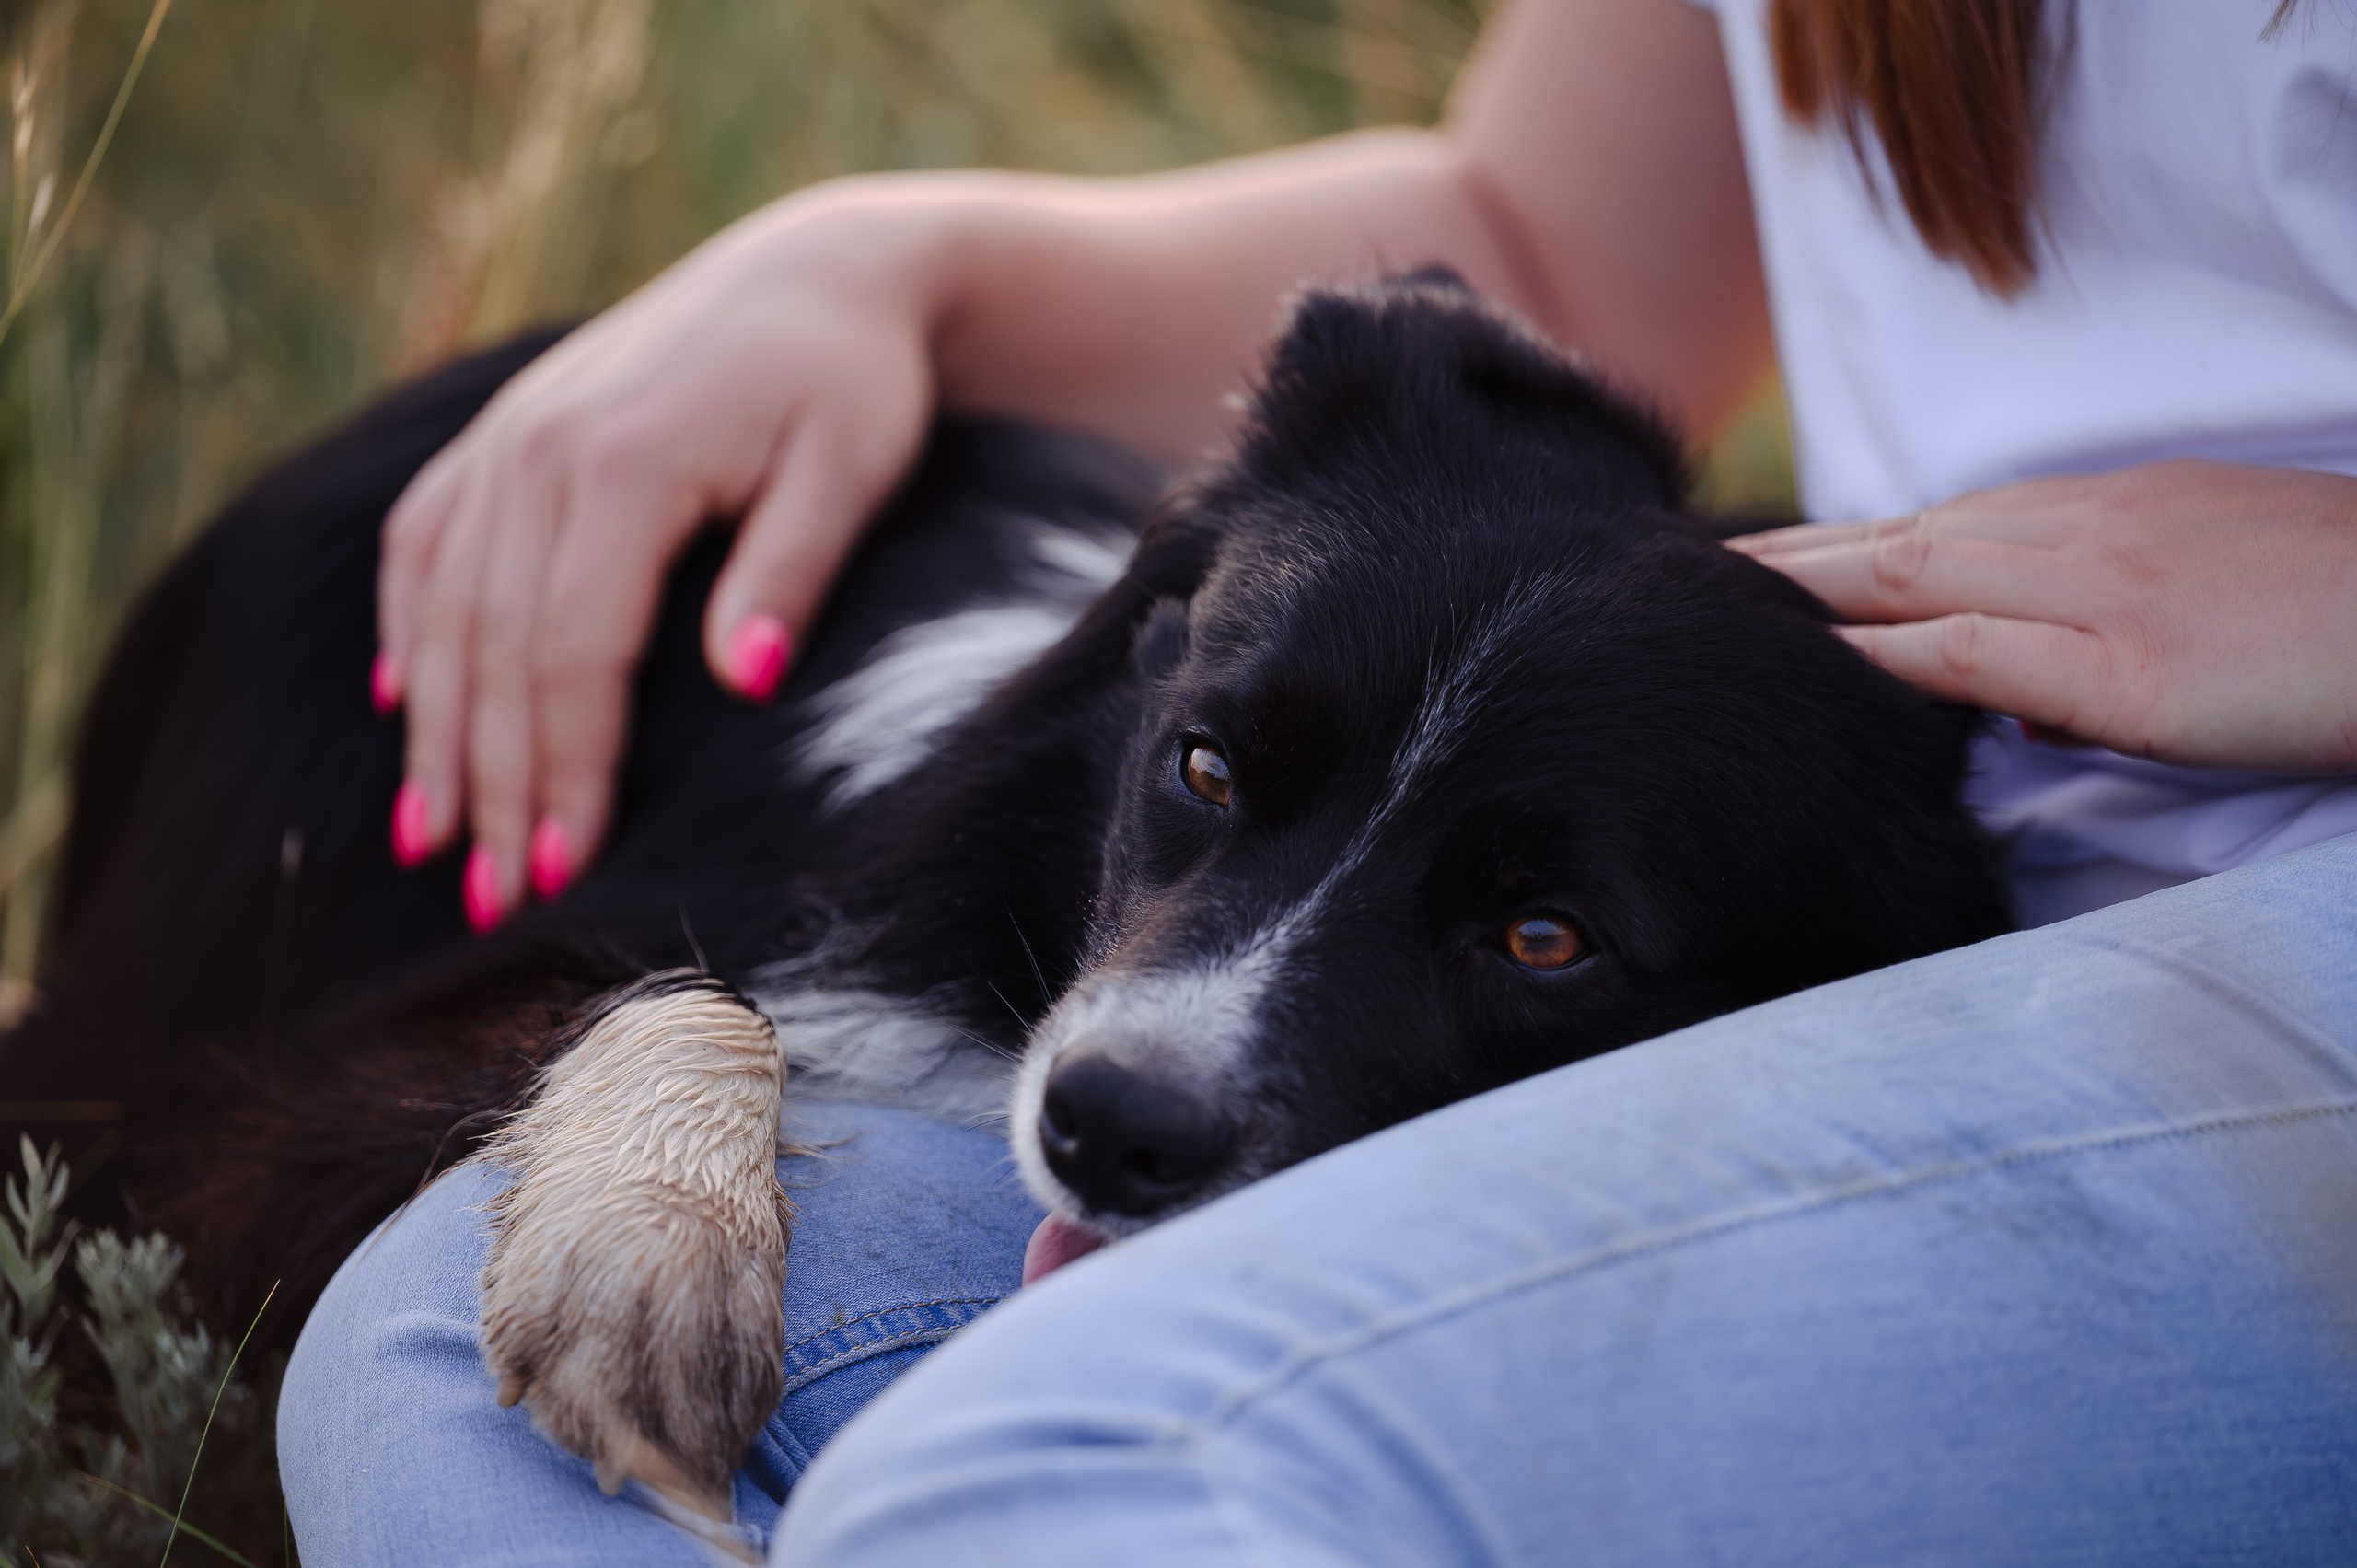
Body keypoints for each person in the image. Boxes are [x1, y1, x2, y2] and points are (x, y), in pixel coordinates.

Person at [282, 0, 2357, 1561]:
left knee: (1043, 1481)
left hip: (2259, 941)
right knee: (468, 1375)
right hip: (1871, 874)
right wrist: (889, 268)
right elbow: (1539, 235)